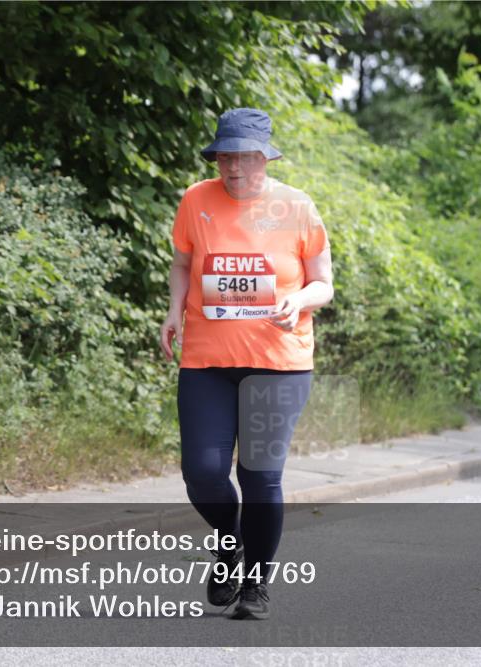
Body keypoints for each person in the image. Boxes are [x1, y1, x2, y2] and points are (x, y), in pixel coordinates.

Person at [159, 108, 333, 620]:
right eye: (225, 156)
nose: (233, 167)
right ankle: (231, 542)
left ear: (265, 156)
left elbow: (324, 282)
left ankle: (255, 585)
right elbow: (184, 263)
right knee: (203, 473)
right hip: (207, 359)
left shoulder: (297, 207)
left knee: (260, 476)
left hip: (277, 362)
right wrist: (173, 310)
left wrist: (299, 300)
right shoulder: (197, 199)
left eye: (244, 157)